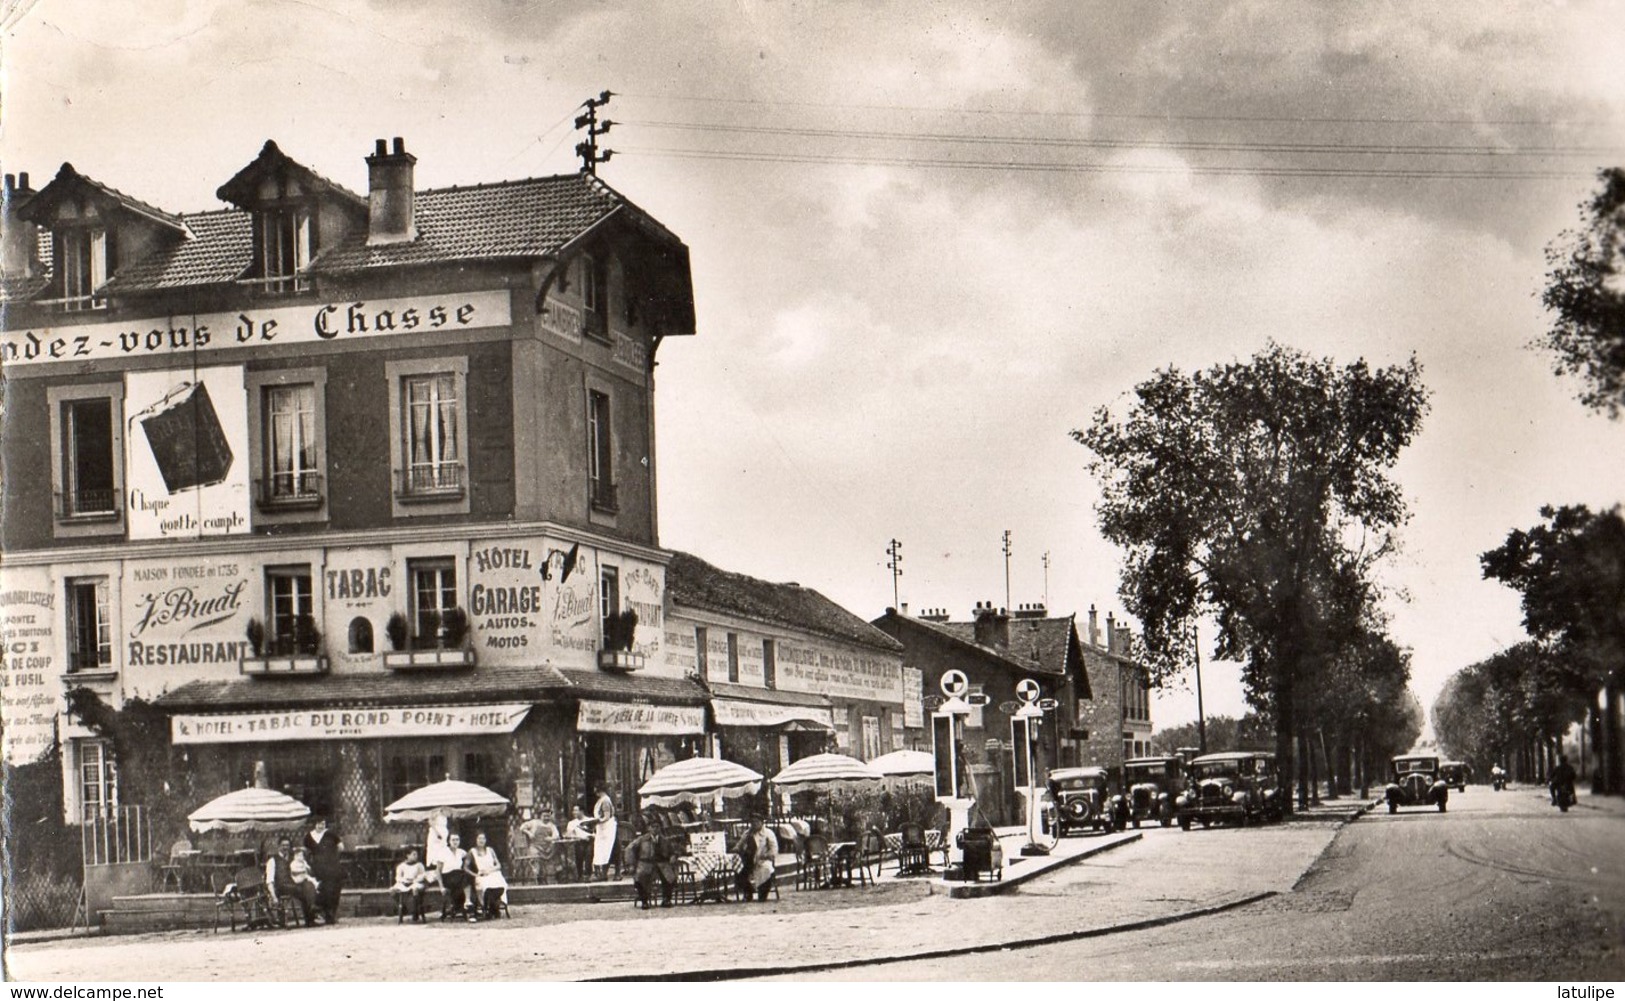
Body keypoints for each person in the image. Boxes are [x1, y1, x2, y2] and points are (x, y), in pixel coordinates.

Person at [265, 836, 317, 928]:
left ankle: (310, 917)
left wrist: (306, 869)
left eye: (287, 845)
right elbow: (269, 880)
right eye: (283, 845)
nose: (285, 847)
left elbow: (308, 870)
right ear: (278, 846)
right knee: (303, 890)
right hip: (281, 887)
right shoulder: (273, 860)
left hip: (295, 885)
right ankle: (312, 912)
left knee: (309, 885)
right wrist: (273, 896)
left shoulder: (295, 859)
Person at [302, 816, 344, 925]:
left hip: (332, 866)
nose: (321, 826)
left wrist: (332, 856)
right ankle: (324, 913)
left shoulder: (331, 834)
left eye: (323, 824)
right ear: (314, 824)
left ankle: (331, 914)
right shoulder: (309, 837)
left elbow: (341, 847)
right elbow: (305, 851)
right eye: (319, 824)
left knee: (334, 889)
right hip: (317, 867)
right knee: (323, 889)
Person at [627, 816, 675, 909]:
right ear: (649, 828)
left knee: (670, 877)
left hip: (662, 863)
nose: (655, 829)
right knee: (640, 878)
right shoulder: (642, 839)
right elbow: (629, 849)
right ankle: (644, 901)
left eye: (657, 827)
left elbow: (672, 851)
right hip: (646, 863)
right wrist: (631, 864)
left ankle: (666, 899)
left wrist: (673, 856)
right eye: (653, 827)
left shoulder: (664, 840)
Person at [467, 830, 509, 919]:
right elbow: (465, 867)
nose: (481, 841)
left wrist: (490, 871)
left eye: (483, 838)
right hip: (481, 876)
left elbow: (498, 865)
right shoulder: (472, 851)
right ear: (475, 840)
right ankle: (491, 907)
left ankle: (493, 907)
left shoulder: (490, 850)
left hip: (492, 873)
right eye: (479, 838)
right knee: (486, 887)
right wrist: (475, 875)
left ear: (486, 840)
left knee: (501, 884)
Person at [437, 832, 476, 921]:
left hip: (459, 877)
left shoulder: (461, 852)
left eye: (457, 840)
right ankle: (468, 904)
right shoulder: (443, 852)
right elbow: (438, 871)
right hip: (448, 877)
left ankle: (468, 904)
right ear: (449, 841)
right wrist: (441, 887)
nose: (455, 842)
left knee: (468, 876)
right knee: (466, 877)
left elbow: (471, 857)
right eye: (453, 840)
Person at [741, 814, 779, 902]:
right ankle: (748, 892)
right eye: (752, 822)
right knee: (739, 871)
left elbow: (774, 848)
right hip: (748, 860)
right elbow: (739, 844)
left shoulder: (768, 833)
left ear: (762, 823)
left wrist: (767, 855)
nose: (754, 824)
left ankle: (763, 893)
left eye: (757, 822)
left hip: (763, 859)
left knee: (766, 869)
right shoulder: (747, 833)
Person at [391, 847, 428, 923]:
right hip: (404, 883)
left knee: (415, 890)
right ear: (408, 855)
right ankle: (403, 907)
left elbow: (423, 875)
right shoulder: (401, 866)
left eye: (416, 854)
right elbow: (398, 877)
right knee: (392, 890)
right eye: (413, 854)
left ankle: (415, 911)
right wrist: (404, 880)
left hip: (416, 883)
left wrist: (415, 880)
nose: (416, 856)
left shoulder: (419, 865)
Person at [591, 784, 618, 881]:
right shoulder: (601, 800)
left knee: (605, 850)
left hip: (607, 829)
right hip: (602, 828)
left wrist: (596, 821)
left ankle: (603, 874)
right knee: (600, 851)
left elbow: (607, 816)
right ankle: (601, 873)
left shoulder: (605, 800)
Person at [563, 804, 593, 881]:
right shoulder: (572, 823)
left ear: (582, 811)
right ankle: (580, 875)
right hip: (579, 841)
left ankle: (587, 875)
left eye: (576, 810)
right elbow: (568, 835)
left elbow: (595, 832)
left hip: (590, 841)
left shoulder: (590, 820)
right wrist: (579, 837)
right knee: (579, 856)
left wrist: (591, 836)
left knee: (589, 855)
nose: (574, 812)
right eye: (573, 810)